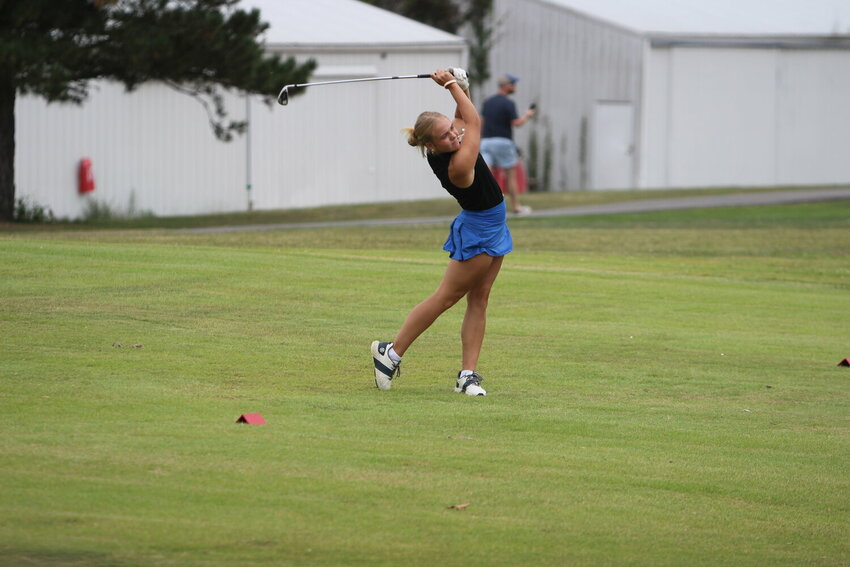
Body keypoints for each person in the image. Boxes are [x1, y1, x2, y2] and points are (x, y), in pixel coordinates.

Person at [370, 68, 512, 397]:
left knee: (480, 298)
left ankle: (467, 375)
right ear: (432, 144)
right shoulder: (458, 165)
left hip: (493, 224)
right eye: (447, 135)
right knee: (446, 298)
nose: (454, 135)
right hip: (479, 230)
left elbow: (463, 116)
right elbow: (474, 121)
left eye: (452, 130)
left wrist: (461, 85)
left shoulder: (447, 143)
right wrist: (450, 84)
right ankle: (390, 353)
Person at [480, 74, 536, 215]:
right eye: (513, 84)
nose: (515, 87)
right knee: (511, 175)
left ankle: (483, 207)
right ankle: (516, 207)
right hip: (503, 142)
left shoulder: (487, 102)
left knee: (485, 175)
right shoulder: (508, 103)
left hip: (485, 141)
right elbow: (516, 123)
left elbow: (481, 121)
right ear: (507, 86)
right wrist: (527, 115)